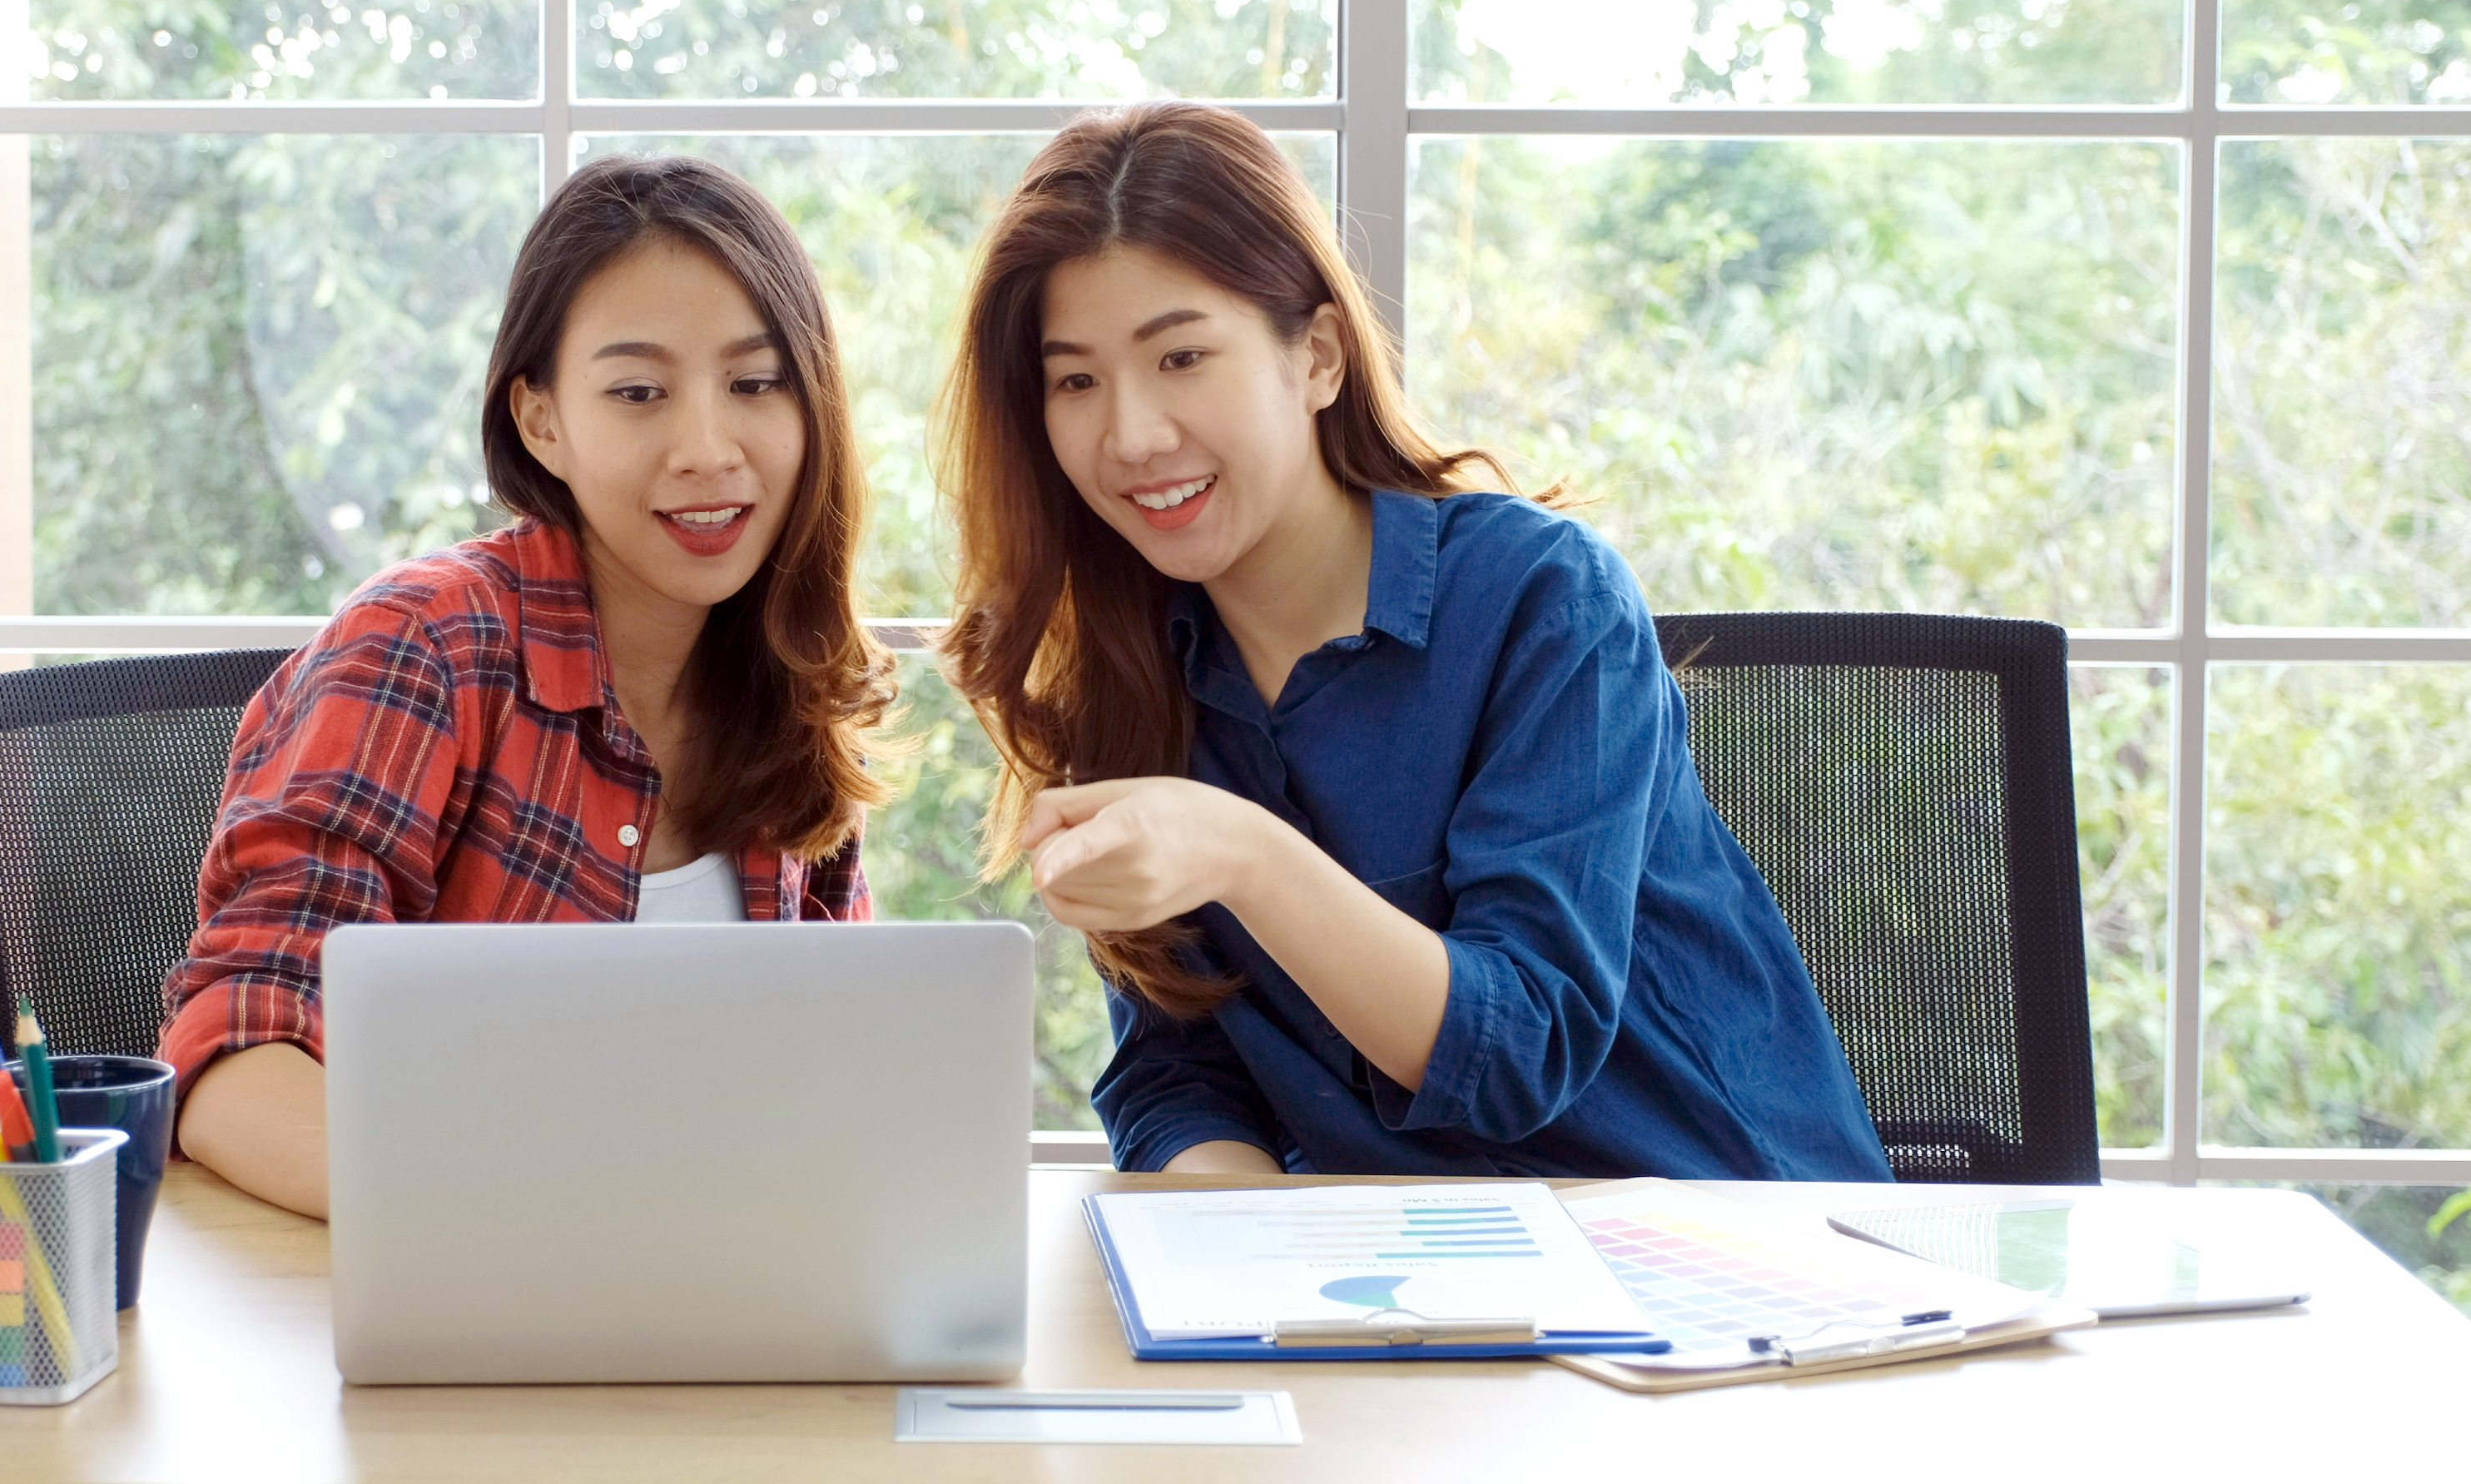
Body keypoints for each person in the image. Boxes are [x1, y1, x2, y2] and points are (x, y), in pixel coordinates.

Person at [935, 102, 1890, 1183]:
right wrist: (1241, 1244)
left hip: (1717, 1260)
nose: (1133, 435)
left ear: (1320, 359)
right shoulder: (1132, 668)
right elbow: (1176, 1066)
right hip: (1408, 1283)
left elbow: (1520, 1052)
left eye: (1184, 357)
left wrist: (1243, 856)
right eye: (1076, 381)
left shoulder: (1543, 601)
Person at [164, 154, 896, 1218]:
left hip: (727, 1299)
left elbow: (853, 1065)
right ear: (543, 419)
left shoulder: (788, 669)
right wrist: (517, 1215)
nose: (707, 448)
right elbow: (235, 1048)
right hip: (459, 1307)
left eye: (754, 383)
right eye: (638, 393)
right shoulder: (426, 650)